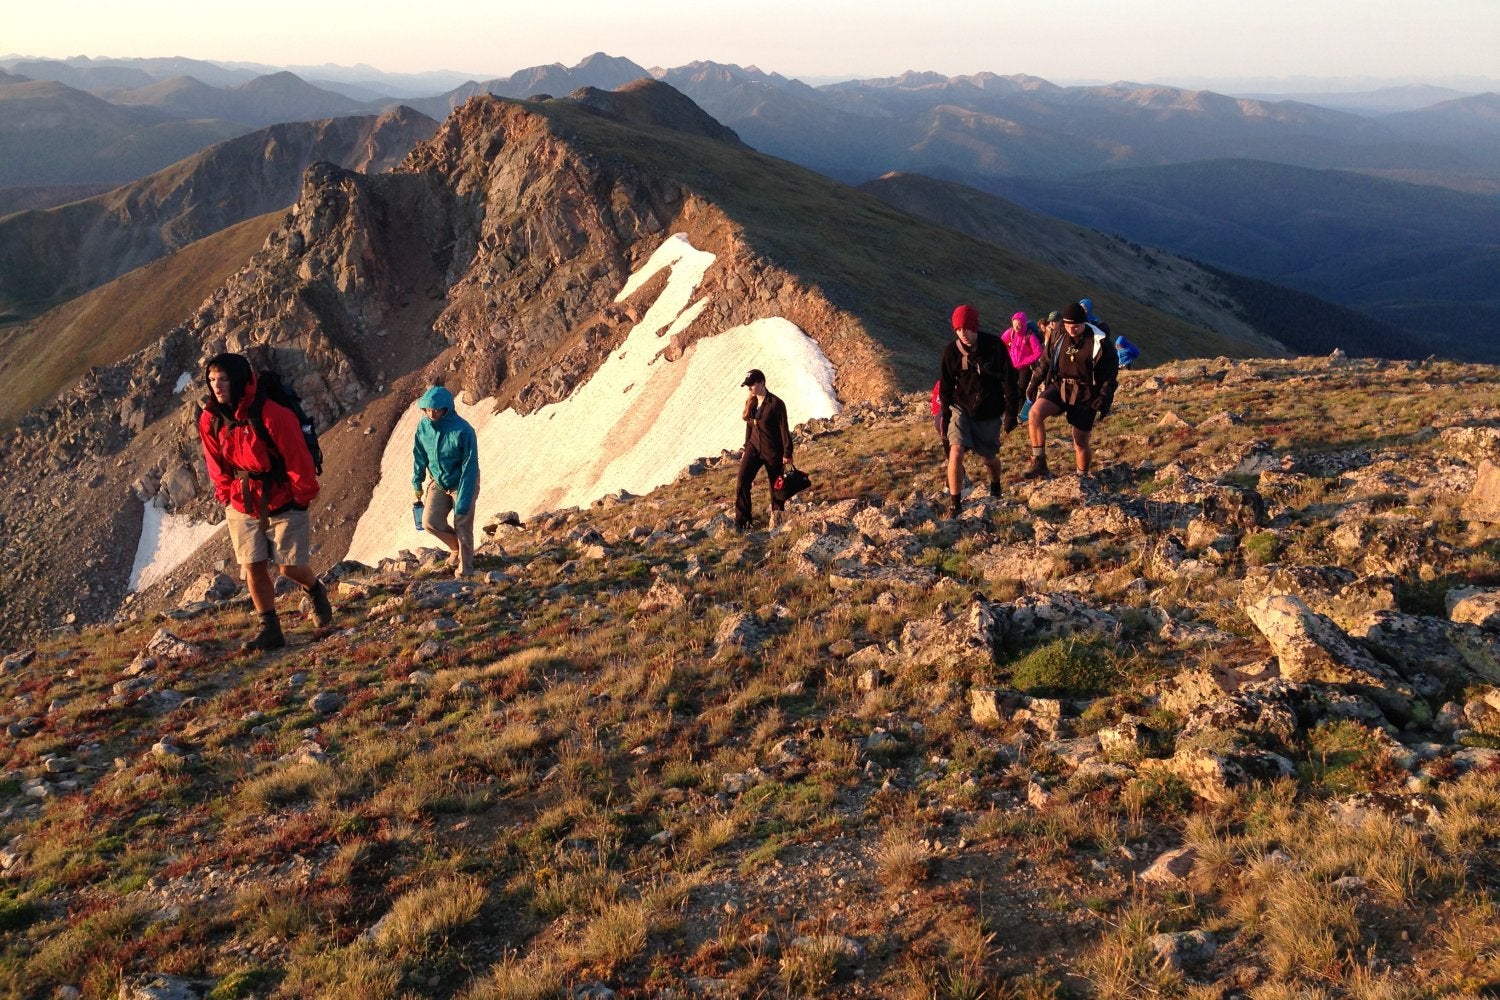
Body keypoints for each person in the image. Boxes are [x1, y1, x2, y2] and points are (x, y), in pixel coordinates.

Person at [199, 352, 332, 652]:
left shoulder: (271, 414)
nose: (217, 387)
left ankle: (314, 589)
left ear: (239, 380)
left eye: (223, 380)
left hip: (283, 499)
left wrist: (301, 498)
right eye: (211, 380)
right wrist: (226, 496)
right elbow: (215, 463)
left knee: (289, 569)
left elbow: (298, 460)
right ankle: (269, 628)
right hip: (241, 500)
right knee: (252, 565)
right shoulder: (211, 418)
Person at [937, 304, 1020, 517]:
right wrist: (946, 416)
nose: (962, 334)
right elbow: (945, 387)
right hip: (960, 408)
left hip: (989, 411)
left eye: (966, 328)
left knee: (988, 458)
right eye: (958, 329)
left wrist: (1011, 413)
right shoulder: (951, 352)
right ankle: (955, 504)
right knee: (956, 452)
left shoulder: (994, 346)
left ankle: (995, 486)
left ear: (975, 327)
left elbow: (1010, 380)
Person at [1024, 301, 1119, 479]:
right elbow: (1045, 360)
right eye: (1068, 325)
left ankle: (1082, 478)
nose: (1072, 330)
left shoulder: (1100, 341)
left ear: (1084, 322)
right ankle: (1040, 462)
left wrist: (1104, 396)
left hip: (1086, 393)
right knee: (1035, 413)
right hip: (1060, 386)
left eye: (1076, 326)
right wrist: (1034, 383)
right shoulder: (1058, 334)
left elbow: (1110, 375)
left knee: (1080, 439)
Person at [412, 385, 480, 578]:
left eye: (436, 409)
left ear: (447, 408)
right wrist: (417, 481)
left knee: (462, 523)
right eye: (428, 409)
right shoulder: (423, 427)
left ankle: (466, 569)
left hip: (463, 482)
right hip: (439, 481)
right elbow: (419, 454)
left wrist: (464, 498)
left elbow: (470, 466)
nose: (431, 413)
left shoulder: (464, 430)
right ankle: (455, 548)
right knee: (429, 522)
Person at [735, 369, 794, 531]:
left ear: (762, 382)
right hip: (754, 448)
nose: (749, 388)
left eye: (752, 384)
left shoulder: (776, 404)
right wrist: (746, 448)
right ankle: (743, 522)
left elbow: (784, 429)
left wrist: (787, 453)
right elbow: (749, 427)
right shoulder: (752, 403)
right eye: (748, 385)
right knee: (742, 482)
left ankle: (778, 519)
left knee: (776, 486)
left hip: (773, 451)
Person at [1001, 311, 1044, 401]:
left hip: (1025, 368)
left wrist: (1025, 361)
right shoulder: (1010, 332)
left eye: (1019, 325)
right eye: (1014, 325)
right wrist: (1008, 354)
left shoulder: (1030, 335)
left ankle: (1019, 412)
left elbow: (1038, 352)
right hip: (1012, 365)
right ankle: (1009, 407)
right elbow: (1000, 344)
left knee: (1021, 391)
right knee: (1009, 387)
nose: (1016, 328)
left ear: (1024, 325)